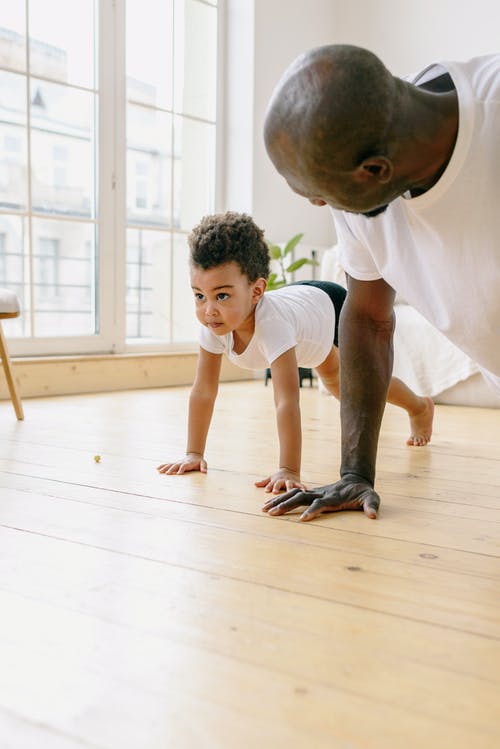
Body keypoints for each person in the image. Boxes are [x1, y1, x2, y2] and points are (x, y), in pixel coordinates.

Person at [262, 44, 500, 521]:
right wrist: (355, 473)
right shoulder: (367, 145)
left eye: (320, 195)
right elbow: (369, 317)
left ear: (374, 171)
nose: (319, 207)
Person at [157, 211, 434, 493]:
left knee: (356, 390)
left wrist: (288, 470)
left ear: (256, 291)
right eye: (199, 296)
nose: (208, 310)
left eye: (222, 296)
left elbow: (286, 401)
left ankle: (419, 407)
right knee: (337, 385)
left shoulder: (272, 326)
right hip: (303, 317)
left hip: (330, 307)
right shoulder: (213, 324)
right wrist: (194, 453)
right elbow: (203, 391)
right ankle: (418, 405)